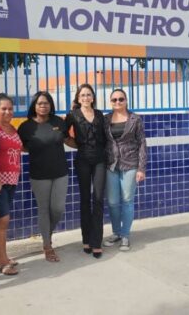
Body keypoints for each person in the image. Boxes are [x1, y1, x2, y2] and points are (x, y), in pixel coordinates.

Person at [17, 91, 72, 262]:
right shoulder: (26, 127)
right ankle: (47, 245)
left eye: (46, 103)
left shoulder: (58, 122)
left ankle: (46, 234)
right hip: (39, 174)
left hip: (60, 172)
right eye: (40, 103)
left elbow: (67, 139)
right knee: (43, 209)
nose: (43, 106)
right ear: (34, 105)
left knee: (57, 208)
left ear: (51, 105)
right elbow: (21, 146)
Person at [64, 84, 106, 258]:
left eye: (89, 94)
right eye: (83, 95)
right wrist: (77, 145)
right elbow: (64, 135)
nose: (86, 97)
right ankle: (86, 239)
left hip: (100, 160)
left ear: (93, 97)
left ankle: (97, 241)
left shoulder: (100, 115)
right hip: (82, 160)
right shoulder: (73, 115)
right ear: (78, 98)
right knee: (85, 200)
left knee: (97, 199)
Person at [103, 89, 147, 252]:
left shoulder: (135, 119)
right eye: (114, 100)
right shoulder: (106, 119)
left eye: (121, 99)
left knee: (127, 200)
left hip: (130, 164)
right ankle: (116, 232)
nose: (117, 102)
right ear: (110, 102)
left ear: (126, 100)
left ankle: (125, 235)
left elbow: (142, 143)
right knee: (113, 202)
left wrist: (141, 168)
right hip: (111, 164)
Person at [0, 93, 21, 275]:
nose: (8, 112)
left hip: (12, 180)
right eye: (3, 109)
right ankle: (3, 262)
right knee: (3, 220)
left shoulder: (12, 129)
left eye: (10, 108)